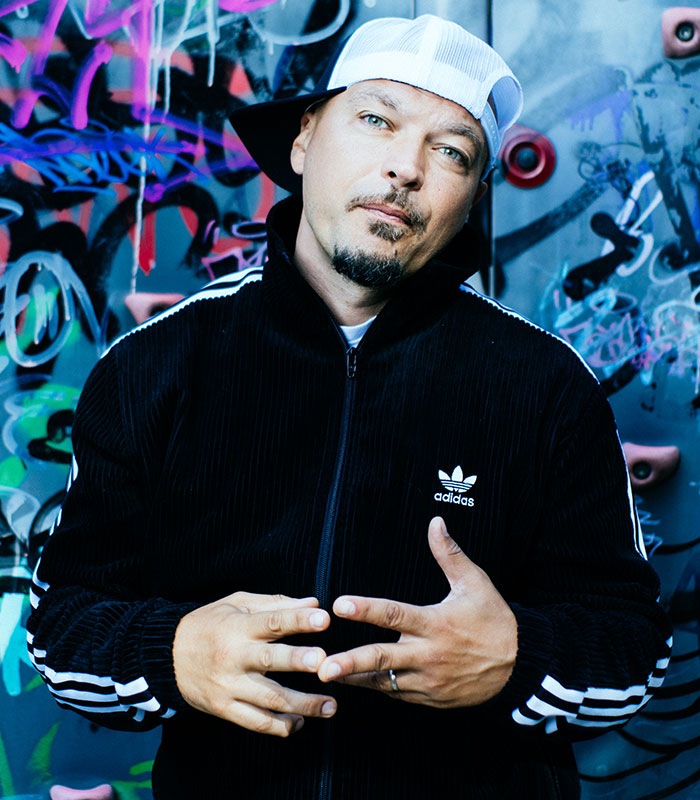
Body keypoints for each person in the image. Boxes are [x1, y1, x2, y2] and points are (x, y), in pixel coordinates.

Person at [27, 15, 672, 799]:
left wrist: (517, 659)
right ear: (304, 139)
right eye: (375, 120)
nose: (405, 168)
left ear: (473, 198)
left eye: (451, 151)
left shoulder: (547, 386)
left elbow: (634, 652)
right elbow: (61, 627)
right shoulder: (154, 367)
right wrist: (172, 654)